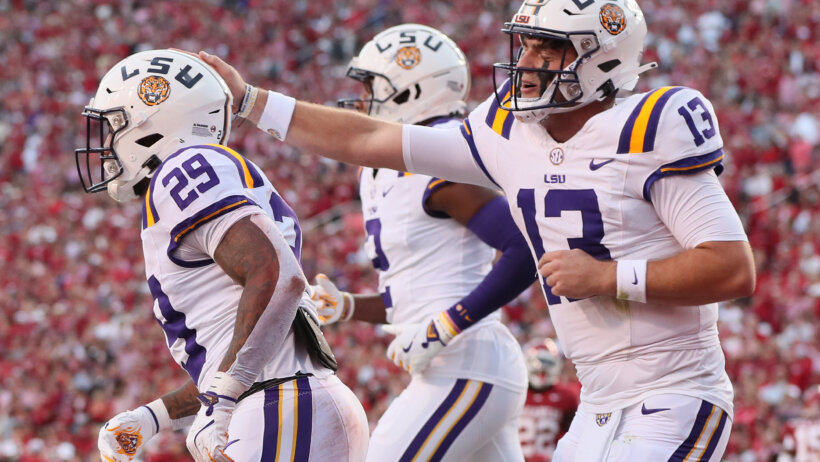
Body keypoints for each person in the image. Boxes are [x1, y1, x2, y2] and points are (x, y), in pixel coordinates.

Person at [198, 0, 757, 459]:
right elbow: (369, 140)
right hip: (597, 402)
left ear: (602, 60)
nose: (529, 60)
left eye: (550, 47)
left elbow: (731, 266)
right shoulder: (507, 130)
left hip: (675, 393)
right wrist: (254, 102)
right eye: (528, 44)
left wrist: (610, 276)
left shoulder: (649, 126)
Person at [77, 49, 368, 462]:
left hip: (280, 407)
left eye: (114, 125)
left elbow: (278, 276)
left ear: (150, 124)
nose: (106, 142)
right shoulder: (207, 170)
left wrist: (223, 398)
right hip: (292, 403)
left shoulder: (183, 165)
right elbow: (247, 345)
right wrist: (155, 417)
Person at [311, 24, 535, 461]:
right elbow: (414, 295)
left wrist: (445, 326)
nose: (361, 100)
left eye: (373, 86)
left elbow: (525, 247)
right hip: (460, 368)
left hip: (466, 364)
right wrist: (350, 307)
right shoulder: (386, 169)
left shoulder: (436, 156)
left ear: (411, 91)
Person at [518, 338, 579, 462]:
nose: (541, 369)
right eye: (537, 363)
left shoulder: (566, 396)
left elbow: (573, 436)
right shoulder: (517, 394)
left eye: (547, 363)